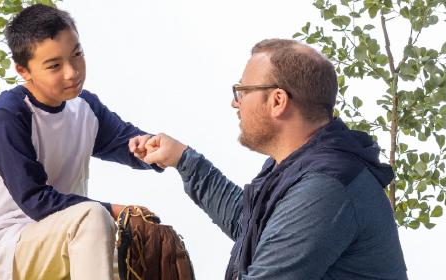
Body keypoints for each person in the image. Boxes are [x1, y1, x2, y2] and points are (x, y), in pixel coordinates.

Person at [134, 39, 408, 279]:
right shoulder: (297, 167)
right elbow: (250, 224)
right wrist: (183, 159)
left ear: (277, 100)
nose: (235, 103)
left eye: (242, 91)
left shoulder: (326, 186)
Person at [0, 4, 162, 280]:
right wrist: (113, 210)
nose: (72, 72)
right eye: (54, 66)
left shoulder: (84, 106)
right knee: (94, 216)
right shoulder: (10, 114)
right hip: (13, 243)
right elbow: (35, 200)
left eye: (77, 54)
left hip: (73, 233)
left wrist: (155, 150)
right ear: (23, 70)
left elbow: (127, 143)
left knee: (136, 256)